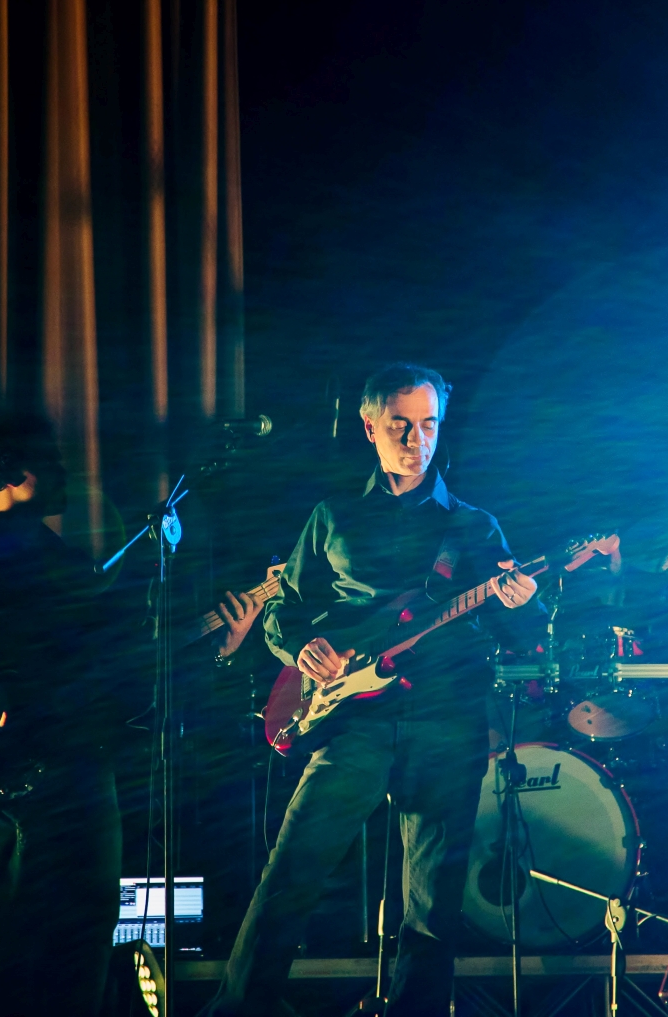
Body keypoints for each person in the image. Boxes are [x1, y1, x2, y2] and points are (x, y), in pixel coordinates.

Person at [0, 414, 260, 1015]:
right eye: (51, 464)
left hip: (84, 766)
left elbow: (125, 674)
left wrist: (217, 647)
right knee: (21, 932)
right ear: (12, 472)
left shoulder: (69, 566)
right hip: (3, 771)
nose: (64, 474)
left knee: (88, 928)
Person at [206, 363, 545, 1016]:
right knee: (291, 873)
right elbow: (283, 612)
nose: (418, 440)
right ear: (369, 426)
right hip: (351, 723)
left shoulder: (474, 527)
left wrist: (524, 601)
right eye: (401, 425)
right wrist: (302, 648)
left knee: (431, 907)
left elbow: (522, 630)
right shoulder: (332, 516)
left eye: (429, 424)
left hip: (445, 720)